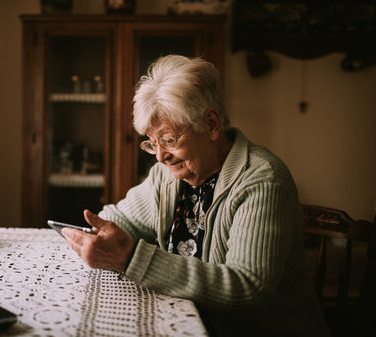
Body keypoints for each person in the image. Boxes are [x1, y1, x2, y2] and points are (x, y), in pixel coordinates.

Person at [62, 55, 329, 336]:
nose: (161, 157)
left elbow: (248, 289)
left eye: (168, 140)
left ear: (211, 124)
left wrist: (131, 259)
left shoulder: (263, 180)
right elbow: (119, 219)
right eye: (152, 144)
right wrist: (97, 233)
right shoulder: (168, 175)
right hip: (187, 323)